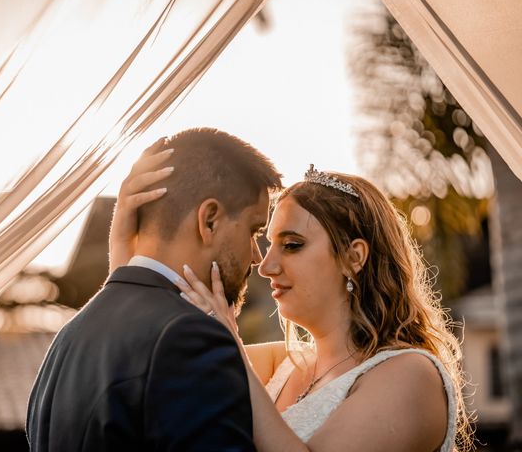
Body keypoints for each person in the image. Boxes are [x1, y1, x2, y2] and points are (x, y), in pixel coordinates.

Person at [111, 151, 474, 451]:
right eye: (268, 244)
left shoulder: (410, 376)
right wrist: (127, 252)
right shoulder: (280, 366)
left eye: (292, 245)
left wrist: (231, 344)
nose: (265, 266)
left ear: (354, 257)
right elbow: (148, 362)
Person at [26, 128, 282, 451]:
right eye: (253, 230)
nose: (257, 256)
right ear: (210, 220)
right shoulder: (189, 338)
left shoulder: (68, 339)